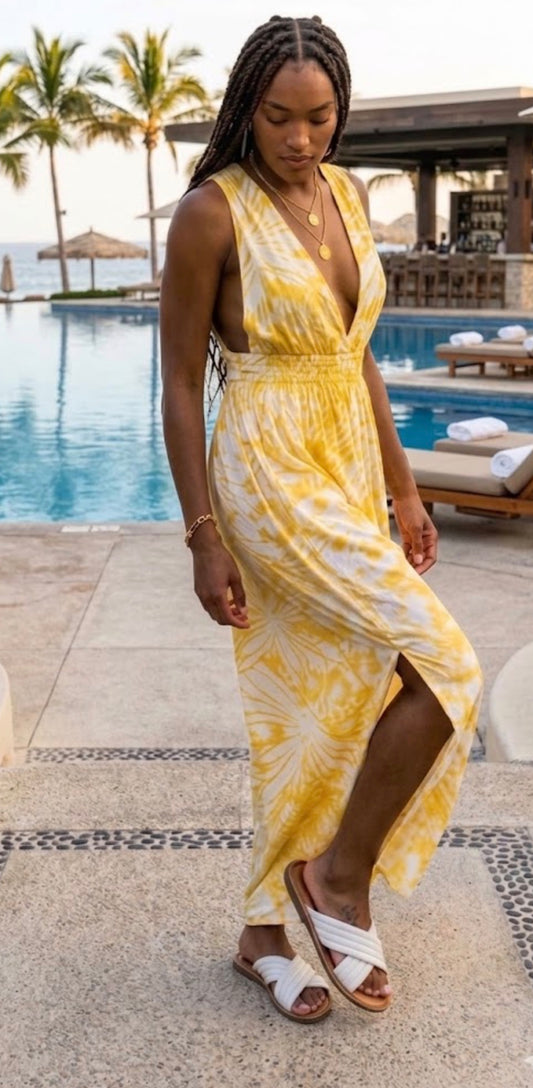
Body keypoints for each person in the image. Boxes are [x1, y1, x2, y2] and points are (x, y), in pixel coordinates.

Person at [160, 14, 482, 1025]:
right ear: (245, 108)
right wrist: (201, 533)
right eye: (278, 117)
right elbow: (175, 385)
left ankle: (262, 929)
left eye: (320, 118)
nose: (301, 138)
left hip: (343, 458)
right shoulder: (213, 211)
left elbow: (357, 353)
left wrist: (402, 484)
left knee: (319, 702)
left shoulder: (344, 194)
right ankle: (337, 877)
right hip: (264, 466)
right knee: (444, 662)